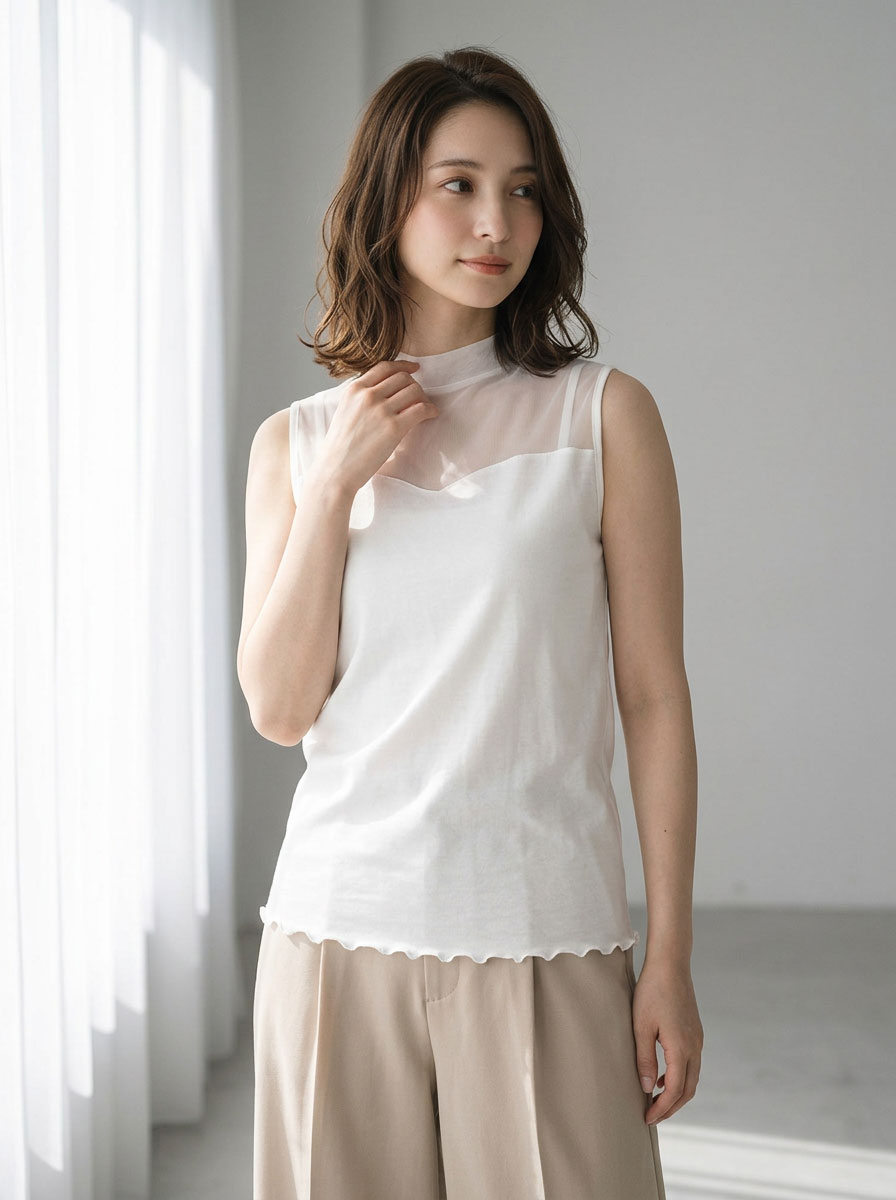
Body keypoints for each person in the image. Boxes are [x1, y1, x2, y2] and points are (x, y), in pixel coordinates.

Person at [238, 44, 702, 1200]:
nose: (498, 222)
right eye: (458, 184)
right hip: (336, 931)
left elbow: (652, 698)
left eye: (523, 188)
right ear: (386, 198)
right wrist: (334, 488)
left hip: (544, 931)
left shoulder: (602, 418)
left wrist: (669, 960)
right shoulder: (295, 444)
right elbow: (280, 709)